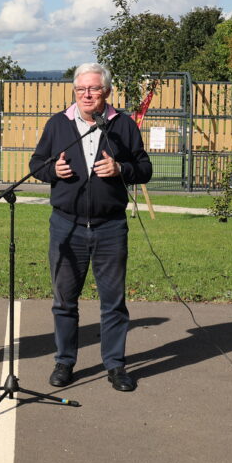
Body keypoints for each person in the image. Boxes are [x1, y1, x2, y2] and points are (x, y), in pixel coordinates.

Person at [29, 62, 152, 392]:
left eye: (94, 89)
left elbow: (144, 167)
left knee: (113, 302)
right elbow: (35, 165)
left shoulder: (122, 125)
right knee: (64, 300)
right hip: (66, 227)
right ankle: (65, 361)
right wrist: (52, 170)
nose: (87, 94)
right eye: (81, 89)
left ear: (107, 92)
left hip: (110, 227)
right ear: (74, 91)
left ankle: (115, 365)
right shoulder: (58, 124)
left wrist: (121, 168)